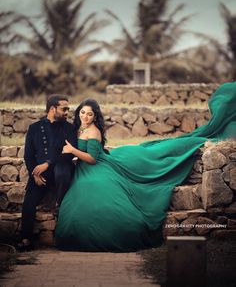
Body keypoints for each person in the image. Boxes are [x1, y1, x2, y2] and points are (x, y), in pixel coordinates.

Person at [55, 82, 236, 252]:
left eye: (90, 114)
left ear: (95, 117)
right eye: (82, 113)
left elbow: (92, 159)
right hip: (84, 170)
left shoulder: (93, 131)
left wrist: (72, 150)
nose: (85, 117)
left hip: (94, 167)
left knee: (105, 197)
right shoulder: (80, 127)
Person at [17, 94, 77, 252]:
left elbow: (69, 154)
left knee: (62, 169)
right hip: (41, 175)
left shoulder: (69, 128)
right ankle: (26, 239)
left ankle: (60, 205)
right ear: (52, 109)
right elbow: (28, 156)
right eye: (64, 109)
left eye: (68, 109)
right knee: (29, 199)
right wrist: (34, 174)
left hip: (61, 170)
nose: (67, 112)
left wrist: (48, 163)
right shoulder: (34, 128)